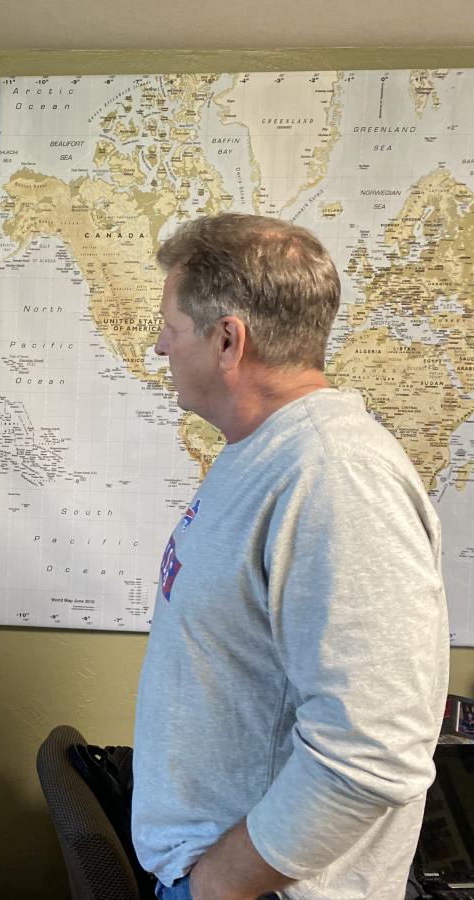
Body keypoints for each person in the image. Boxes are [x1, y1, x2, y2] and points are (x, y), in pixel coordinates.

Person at [132, 213, 448, 900]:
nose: (159, 347)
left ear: (226, 339)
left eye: (170, 327)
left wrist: (218, 885)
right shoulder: (264, 455)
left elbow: (374, 746)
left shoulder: (336, 475)